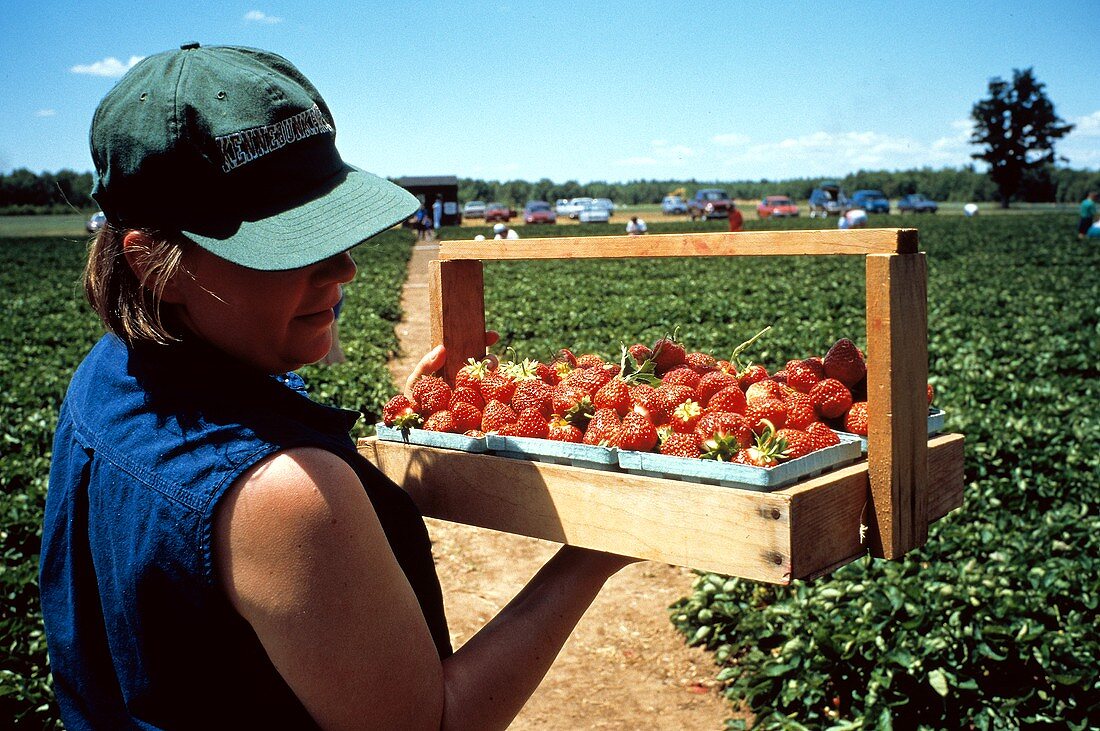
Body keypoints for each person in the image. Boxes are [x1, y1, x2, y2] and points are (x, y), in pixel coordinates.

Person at [38, 43, 633, 729]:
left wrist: (403, 431)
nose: (345, 268)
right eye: (293, 248)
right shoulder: (279, 494)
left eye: (336, 226)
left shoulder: (110, 373)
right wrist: (593, 552)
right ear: (156, 264)